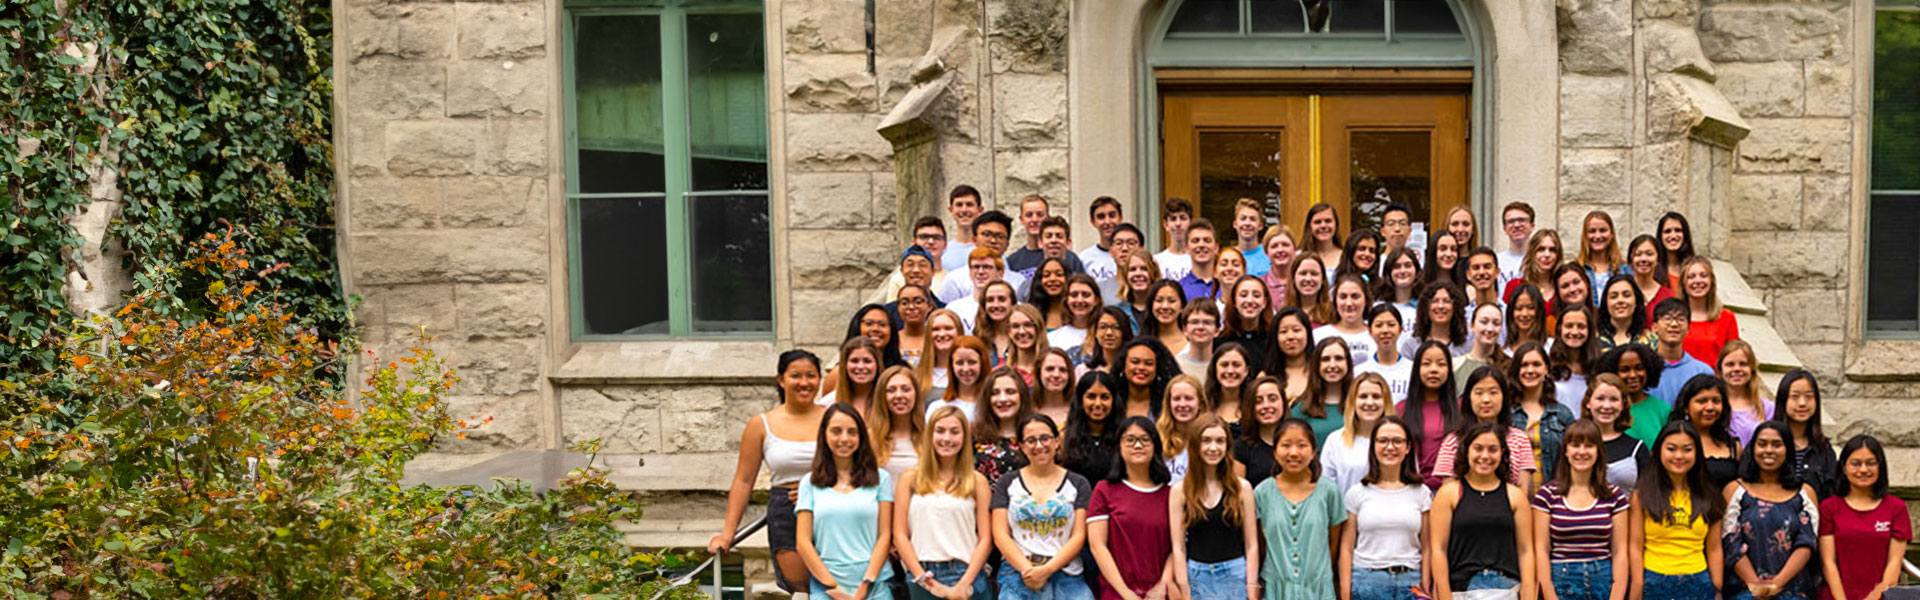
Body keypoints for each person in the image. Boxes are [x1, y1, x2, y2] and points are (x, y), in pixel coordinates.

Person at [713, 351, 829, 592]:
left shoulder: (834, 418)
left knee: (835, 588)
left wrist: (816, 489)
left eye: (811, 376)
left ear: (819, 380)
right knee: (802, 590)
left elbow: (853, 467)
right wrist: (727, 534)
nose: (804, 382)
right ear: (781, 379)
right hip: (786, 510)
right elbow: (744, 481)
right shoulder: (761, 424)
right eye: (795, 375)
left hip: (830, 508)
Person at [797, 404, 897, 600]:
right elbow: (803, 542)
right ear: (824, 435)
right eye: (836, 431)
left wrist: (866, 584)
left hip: (873, 584)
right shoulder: (809, 483)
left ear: (861, 437)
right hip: (826, 584)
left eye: (852, 432)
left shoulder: (881, 479)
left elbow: (885, 535)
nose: (844, 439)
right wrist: (833, 587)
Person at [992, 415, 1096, 600]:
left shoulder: (1078, 483)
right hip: (1018, 574)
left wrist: (1048, 569)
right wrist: (1028, 570)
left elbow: (1079, 535)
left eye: (1045, 438)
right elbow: (1000, 535)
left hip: (1067, 575)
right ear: (1022, 447)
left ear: (1056, 442)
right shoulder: (1007, 483)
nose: (1039, 446)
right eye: (1031, 440)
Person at [895, 405, 994, 600]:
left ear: (965, 437)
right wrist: (923, 579)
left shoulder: (977, 481)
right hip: (923, 574)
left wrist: (965, 583)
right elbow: (899, 535)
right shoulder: (910, 478)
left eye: (954, 432)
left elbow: (985, 539)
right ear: (930, 435)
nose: (947, 438)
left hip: (966, 573)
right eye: (940, 431)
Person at [1430, 421, 1536, 600]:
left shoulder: (1515, 496)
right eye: (1478, 448)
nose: (1485, 456)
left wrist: (1528, 595)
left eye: (1492, 449)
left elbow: (1526, 551)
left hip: (1507, 589)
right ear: (1466, 451)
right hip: (1462, 590)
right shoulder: (1448, 494)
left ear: (1502, 452)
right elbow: (1438, 549)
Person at [1530, 419, 1629, 600]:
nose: (1582, 452)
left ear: (1598, 451)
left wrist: (1616, 596)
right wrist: (1550, 596)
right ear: (1566, 451)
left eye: (1589, 446)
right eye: (1575, 445)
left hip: (1603, 580)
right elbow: (1541, 550)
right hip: (1562, 581)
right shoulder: (1547, 496)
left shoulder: (1614, 496)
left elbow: (1620, 551)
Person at [1722, 420, 1819, 600]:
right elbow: (1730, 541)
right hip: (1744, 592)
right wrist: (1755, 586)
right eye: (1762, 444)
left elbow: (1807, 543)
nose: (1769, 450)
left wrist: (1777, 584)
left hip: (1794, 592)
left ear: (1788, 450)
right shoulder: (1734, 491)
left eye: (1777, 445)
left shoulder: (1805, 493)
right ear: (1753, 449)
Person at [1339, 415, 1433, 600]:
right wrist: (1344, 592)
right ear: (1373, 446)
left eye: (1397, 441)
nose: (1390, 447)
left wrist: (1426, 586)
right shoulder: (1357, 493)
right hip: (1367, 581)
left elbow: (1428, 547)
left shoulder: (1421, 493)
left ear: (1407, 448)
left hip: (1411, 583)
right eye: (1383, 441)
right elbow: (1346, 548)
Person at [1629, 422, 1725, 600]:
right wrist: (1637, 584)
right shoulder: (1642, 494)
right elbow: (1635, 546)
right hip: (1654, 580)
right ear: (1658, 451)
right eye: (1671, 449)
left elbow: (1714, 549)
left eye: (1687, 449)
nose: (1679, 456)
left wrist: (1717, 589)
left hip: (1698, 582)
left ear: (1697, 453)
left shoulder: (1710, 495)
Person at [1254, 418, 1348, 599]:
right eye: (1286, 445)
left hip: (1318, 589)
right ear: (1275, 452)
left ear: (1313, 451)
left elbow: (1333, 544)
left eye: (1302, 445)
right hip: (1276, 590)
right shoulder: (1262, 493)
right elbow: (1261, 544)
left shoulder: (1329, 491)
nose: (1294, 452)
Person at [1169, 416, 1260, 600]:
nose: (1213, 448)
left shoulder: (1242, 488)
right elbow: (1178, 548)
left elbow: (1251, 545)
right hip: (1197, 575)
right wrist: (1185, 591)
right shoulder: (1180, 491)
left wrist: (1251, 588)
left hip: (1234, 574)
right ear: (1195, 445)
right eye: (1206, 441)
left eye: (1220, 441)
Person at [1088, 416, 1177, 600]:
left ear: (1155, 446)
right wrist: (1126, 593)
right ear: (1119, 446)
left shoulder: (1171, 494)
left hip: (1160, 593)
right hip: (1117, 590)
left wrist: (1162, 586)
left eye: (1145, 439)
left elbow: (1177, 547)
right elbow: (1098, 546)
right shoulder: (1104, 490)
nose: (1138, 446)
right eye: (1130, 440)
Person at [1819, 434, 1911, 600]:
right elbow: (1828, 563)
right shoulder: (1829, 508)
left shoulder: (1896, 508)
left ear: (1880, 467)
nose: (1863, 470)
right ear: (1844, 468)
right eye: (1855, 463)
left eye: (1870, 463)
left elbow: (1894, 564)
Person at [1433, 367, 1540, 490]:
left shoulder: (1520, 440)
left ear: (1504, 397)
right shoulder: (1453, 441)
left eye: (1493, 392)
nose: (1486, 400)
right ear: (1468, 398)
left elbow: (1522, 491)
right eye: (1478, 393)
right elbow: (1447, 492)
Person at [1509, 343, 1575, 485]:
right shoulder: (1506, 413)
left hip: (1552, 499)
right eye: (1524, 365)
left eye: (1536, 364)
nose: (1530, 370)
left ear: (1546, 370)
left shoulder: (1563, 415)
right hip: (1513, 499)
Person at [1401, 340, 1461, 490]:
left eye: (1441, 364)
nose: (1434, 370)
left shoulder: (1462, 408)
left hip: (1453, 490)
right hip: (1412, 489)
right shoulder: (1401, 409)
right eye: (1426, 364)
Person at [1665, 374, 1740, 491]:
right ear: (1686, 407)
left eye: (1716, 401)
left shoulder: (1733, 446)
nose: (1710, 407)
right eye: (1702, 401)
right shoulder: (1669, 442)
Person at [1322, 372, 1392, 495]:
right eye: (1363, 396)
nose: (1370, 402)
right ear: (1353, 401)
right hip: (1346, 513)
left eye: (1376, 396)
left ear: (1385, 401)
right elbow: (1326, 490)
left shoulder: (1399, 440)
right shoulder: (1335, 441)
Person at [936, 214, 1027, 305]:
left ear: (1007, 244)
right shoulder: (955, 280)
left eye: (1000, 236)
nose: (993, 241)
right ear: (974, 239)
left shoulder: (1018, 281)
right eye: (986, 234)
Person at [1774, 370, 1837, 501]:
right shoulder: (1767, 443)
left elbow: (1831, 496)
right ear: (1783, 400)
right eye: (1795, 396)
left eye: (1809, 396)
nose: (1802, 403)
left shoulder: (1824, 450)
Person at [1582, 374, 1650, 494]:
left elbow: (1648, 494)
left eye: (1614, 399)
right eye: (1600, 398)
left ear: (1623, 405)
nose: (1607, 406)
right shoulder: (1575, 445)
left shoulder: (1637, 448)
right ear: (1588, 402)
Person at [1595, 343, 1667, 446]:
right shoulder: (1605, 409)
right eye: (1625, 370)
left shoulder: (1662, 410)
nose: (1633, 375)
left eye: (1639, 368)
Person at [1646, 299, 1715, 405]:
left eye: (1681, 319)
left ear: (1688, 328)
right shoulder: (1643, 369)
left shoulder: (1702, 371)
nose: (1674, 324)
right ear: (1654, 327)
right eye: (1667, 318)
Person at [974, 367, 1034, 485]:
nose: (1002, 399)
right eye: (995, 393)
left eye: (1010, 392)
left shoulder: (1036, 437)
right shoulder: (975, 438)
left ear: (1022, 396)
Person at [1062, 371, 1123, 485]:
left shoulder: (1123, 437)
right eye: (1091, 397)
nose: (1098, 403)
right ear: (1080, 400)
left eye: (1105, 397)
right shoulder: (1064, 438)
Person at [1677, 256, 1739, 366]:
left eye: (1703, 276)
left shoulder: (1727, 318)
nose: (1698, 281)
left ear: (1711, 281)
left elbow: (1733, 359)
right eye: (1691, 277)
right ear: (1683, 283)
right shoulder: (1674, 318)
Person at [1293, 338, 1354, 446]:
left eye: (1339, 358)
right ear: (1316, 365)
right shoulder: (1301, 410)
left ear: (1348, 363)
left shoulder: (1360, 405)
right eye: (1325, 359)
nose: (1332, 365)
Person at [1008, 198, 1086, 280]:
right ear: (1021, 219)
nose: (1034, 219)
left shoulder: (1070, 258)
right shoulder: (1013, 261)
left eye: (1040, 215)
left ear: (1048, 216)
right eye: (1029, 215)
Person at [871, 365, 927, 479]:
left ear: (916, 394)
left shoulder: (930, 437)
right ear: (882, 396)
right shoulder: (870, 438)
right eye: (891, 390)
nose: (899, 395)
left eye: (906, 389)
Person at [1717, 340, 1774, 448]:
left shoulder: (1768, 409)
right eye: (1730, 364)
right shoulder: (1714, 407)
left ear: (1752, 369)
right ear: (1720, 369)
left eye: (1743, 364)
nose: (1737, 369)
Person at [1355, 303, 1414, 403]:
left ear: (1400, 329)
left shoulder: (1413, 370)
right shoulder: (1358, 372)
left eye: (1391, 325)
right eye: (1379, 325)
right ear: (1370, 331)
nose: (1385, 330)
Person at [1236, 375, 1287, 489]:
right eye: (1258, 401)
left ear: (1283, 402)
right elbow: (1237, 495)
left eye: (1272, 399)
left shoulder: (1297, 441)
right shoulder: (1241, 447)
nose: (1266, 406)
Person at [1314, 274, 1379, 361]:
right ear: (1335, 301)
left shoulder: (1378, 335)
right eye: (1343, 297)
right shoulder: (1319, 335)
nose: (1348, 303)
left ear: (1366, 300)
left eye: (1355, 296)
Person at [1548, 305, 1598, 415]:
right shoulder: (1547, 365)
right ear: (1560, 329)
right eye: (1569, 326)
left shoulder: (1598, 366)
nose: (1575, 332)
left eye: (1581, 326)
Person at [1158, 375, 1209, 482]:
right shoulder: (1157, 439)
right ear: (1169, 404)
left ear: (1200, 403)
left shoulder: (1211, 439)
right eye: (1176, 399)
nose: (1182, 404)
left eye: (1189, 398)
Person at [1400, 281, 1469, 359]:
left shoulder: (1467, 347)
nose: (1440, 306)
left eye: (1446, 301)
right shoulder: (1411, 347)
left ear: (1455, 307)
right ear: (1425, 307)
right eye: (1435, 301)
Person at [924, 335, 988, 420]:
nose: (966, 369)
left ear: (982, 363)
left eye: (972, 362)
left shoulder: (992, 406)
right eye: (959, 363)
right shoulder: (937, 407)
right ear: (951, 366)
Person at [1217, 277, 1273, 372]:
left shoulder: (1273, 341)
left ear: (1265, 302)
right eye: (1243, 295)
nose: (1250, 301)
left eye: (1256, 296)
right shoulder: (1220, 341)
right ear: (1234, 301)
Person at [1453, 303, 1508, 395]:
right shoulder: (1455, 365)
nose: (1490, 329)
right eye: (1484, 322)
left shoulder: (1508, 365)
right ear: (1472, 326)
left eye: (1496, 323)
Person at [1263, 307, 1316, 402]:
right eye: (1283, 332)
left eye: (1296, 330)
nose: (1290, 337)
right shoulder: (1265, 376)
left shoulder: (1320, 372)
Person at [1504, 229, 1563, 312]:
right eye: (1541, 249)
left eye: (1552, 250)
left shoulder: (1564, 288)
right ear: (1532, 253)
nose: (1547, 254)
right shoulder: (1514, 286)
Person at [1080, 196, 1126, 301]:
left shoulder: (1131, 255)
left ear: (1120, 218)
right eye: (1101, 217)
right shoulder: (1084, 258)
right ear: (1092, 221)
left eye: (1112, 215)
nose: (1107, 221)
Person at [1118, 338, 1176, 419]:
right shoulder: (1111, 399)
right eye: (1135, 362)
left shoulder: (1168, 403)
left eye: (1148, 363)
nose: (1141, 367)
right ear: (1123, 366)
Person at [821, 337, 882, 411]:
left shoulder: (888, 400)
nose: (860, 366)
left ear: (877, 364)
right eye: (854, 361)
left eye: (867, 361)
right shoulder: (828, 404)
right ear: (845, 365)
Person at [914, 310, 964, 399]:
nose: (942, 334)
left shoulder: (970, 370)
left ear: (959, 331)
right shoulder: (917, 373)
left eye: (948, 328)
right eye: (935, 329)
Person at [1623, 235, 1675, 321]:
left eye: (1649, 254)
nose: (1643, 259)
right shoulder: (1621, 293)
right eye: (1638, 254)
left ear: (1658, 259)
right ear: (1630, 261)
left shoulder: (1668, 296)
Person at [1576, 211, 1622, 308]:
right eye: (1592, 231)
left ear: (1612, 234)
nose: (1597, 236)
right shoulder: (1577, 269)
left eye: (1603, 230)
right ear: (1585, 235)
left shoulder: (1624, 269)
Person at [1596, 278, 1653, 351]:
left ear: (1636, 301)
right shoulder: (1594, 339)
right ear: (1606, 303)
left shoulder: (1651, 339)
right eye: (1613, 296)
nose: (1620, 300)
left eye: (1626, 295)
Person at [1048, 274, 1103, 350]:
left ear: (1096, 300)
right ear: (1066, 300)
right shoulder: (1051, 339)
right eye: (1074, 295)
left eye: (1086, 295)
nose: (1080, 300)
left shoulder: (1105, 336)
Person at [1075, 307, 1134, 376]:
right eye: (1103, 327)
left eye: (1116, 327)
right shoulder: (1083, 371)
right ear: (1095, 332)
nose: (1109, 333)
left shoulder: (1132, 370)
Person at [1115, 248, 1162, 334]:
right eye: (1132, 269)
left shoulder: (1163, 309)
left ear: (1154, 273)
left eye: (1144, 269)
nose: (1138, 274)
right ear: (1126, 275)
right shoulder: (1118, 312)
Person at [1205, 343, 1254, 424]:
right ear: (1215, 369)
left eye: (1236, 365)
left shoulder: (1255, 404)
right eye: (1224, 365)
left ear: (1246, 371)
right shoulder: (1203, 404)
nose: (1230, 371)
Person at [1178, 219, 1223, 303]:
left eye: (1207, 240)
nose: (1201, 245)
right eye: (1195, 241)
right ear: (1186, 248)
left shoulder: (1226, 285)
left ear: (1216, 248)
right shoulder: (1179, 288)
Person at [1173, 302, 1221, 381]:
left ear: (1217, 330)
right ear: (1185, 330)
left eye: (1207, 322)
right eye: (1194, 322)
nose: (1200, 327)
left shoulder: (1223, 366)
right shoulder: (1175, 365)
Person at [1378, 247, 1424, 327]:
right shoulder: (1378, 305)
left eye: (1407, 265)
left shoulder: (1425, 306)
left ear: (1416, 270)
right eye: (1396, 266)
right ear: (1389, 272)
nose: (1402, 271)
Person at [941, 185, 984, 272]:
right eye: (959, 205)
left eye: (969, 204)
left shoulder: (990, 249)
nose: (964, 210)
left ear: (980, 210)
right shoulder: (942, 251)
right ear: (951, 210)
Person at [1495, 203, 1537, 290]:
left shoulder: (1540, 260)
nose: (1517, 225)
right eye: (1511, 221)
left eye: (1522, 220)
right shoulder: (1496, 261)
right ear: (1505, 229)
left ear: (1532, 226)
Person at [1005, 305, 1050, 384]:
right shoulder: (1002, 374)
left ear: (1038, 328)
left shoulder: (1052, 370)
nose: (1022, 331)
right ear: (1009, 332)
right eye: (1015, 326)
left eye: (1028, 325)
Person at [1230, 198, 1273, 278]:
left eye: (1252, 219)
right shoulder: (1228, 256)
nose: (1247, 223)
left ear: (1260, 226)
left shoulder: (1269, 255)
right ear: (1235, 224)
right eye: (1243, 219)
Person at [1287, 254, 1334, 326]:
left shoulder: (1334, 314)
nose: (1308, 278)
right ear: (1293, 278)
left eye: (1314, 274)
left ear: (1323, 280)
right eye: (1303, 273)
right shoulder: (1284, 314)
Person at [1144, 281, 1188, 355]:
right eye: (1159, 300)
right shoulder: (1142, 343)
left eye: (1171, 301)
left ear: (1182, 307)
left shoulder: (1192, 342)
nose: (1165, 306)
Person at [896, 284, 936, 367]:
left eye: (918, 302)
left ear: (930, 306)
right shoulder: (892, 339)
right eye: (904, 303)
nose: (911, 307)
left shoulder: (937, 338)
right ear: (898, 308)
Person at [1156, 198, 1196, 281]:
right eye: (1173, 219)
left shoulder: (1199, 260)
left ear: (1191, 223)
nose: (1178, 224)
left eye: (1183, 218)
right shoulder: (1156, 261)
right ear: (1166, 224)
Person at [1033, 349, 1077, 425]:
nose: (1056, 375)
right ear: (1038, 373)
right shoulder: (1026, 410)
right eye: (1050, 369)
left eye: (1063, 370)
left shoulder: (1080, 411)